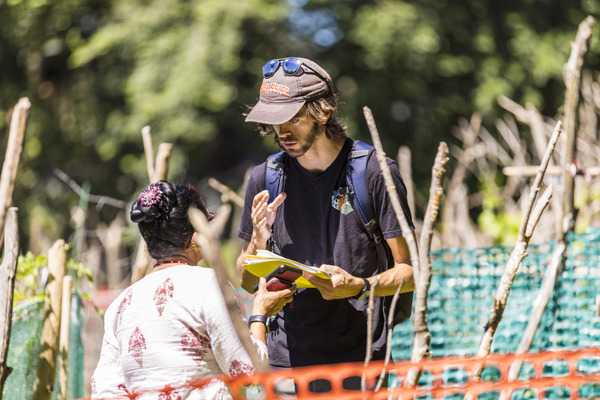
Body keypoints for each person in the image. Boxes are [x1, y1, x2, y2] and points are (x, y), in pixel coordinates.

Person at [236, 57, 416, 386]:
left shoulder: (374, 172)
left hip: (360, 364)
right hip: (285, 365)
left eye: (292, 117)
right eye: (273, 120)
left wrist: (360, 288)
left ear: (323, 111)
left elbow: (413, 271)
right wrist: (258, 241)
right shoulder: (264, 177)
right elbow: (247, 282)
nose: (281, 131)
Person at [91, 180, 295, 400]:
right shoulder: (208, 285)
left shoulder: (121, 304)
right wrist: (260, 313)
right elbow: (248, 371)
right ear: (196, 235)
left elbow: (105, 391)